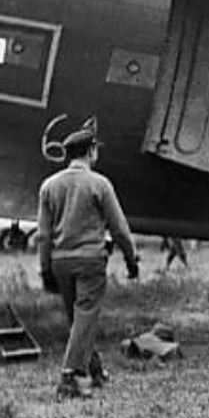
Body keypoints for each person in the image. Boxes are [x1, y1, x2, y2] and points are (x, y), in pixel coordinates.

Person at [36, 116, 139, 400]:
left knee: (78, 317)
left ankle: (94, 369)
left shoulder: (49, 186)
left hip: (60, 262)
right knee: (85, 316)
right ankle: (70, 376)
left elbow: (43, 235)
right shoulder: (100, 184)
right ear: (91, 151)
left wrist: (45, 269)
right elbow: (119, 228)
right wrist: (132, 259)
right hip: (91, 260)